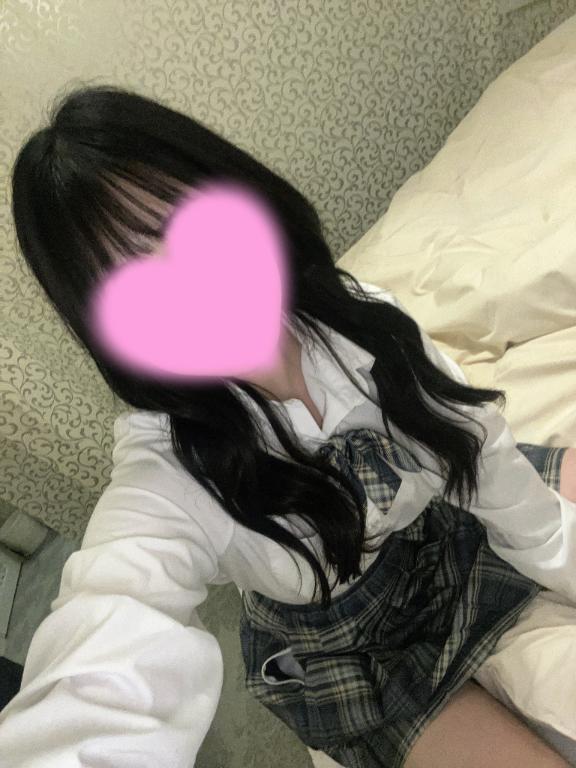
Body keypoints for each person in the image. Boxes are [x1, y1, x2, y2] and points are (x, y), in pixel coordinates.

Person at [1, 83, 575, 768]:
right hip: (356, 644)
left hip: (442, 530)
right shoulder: (170, 475)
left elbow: (484, 456)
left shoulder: (360, 319)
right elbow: (108, 640)